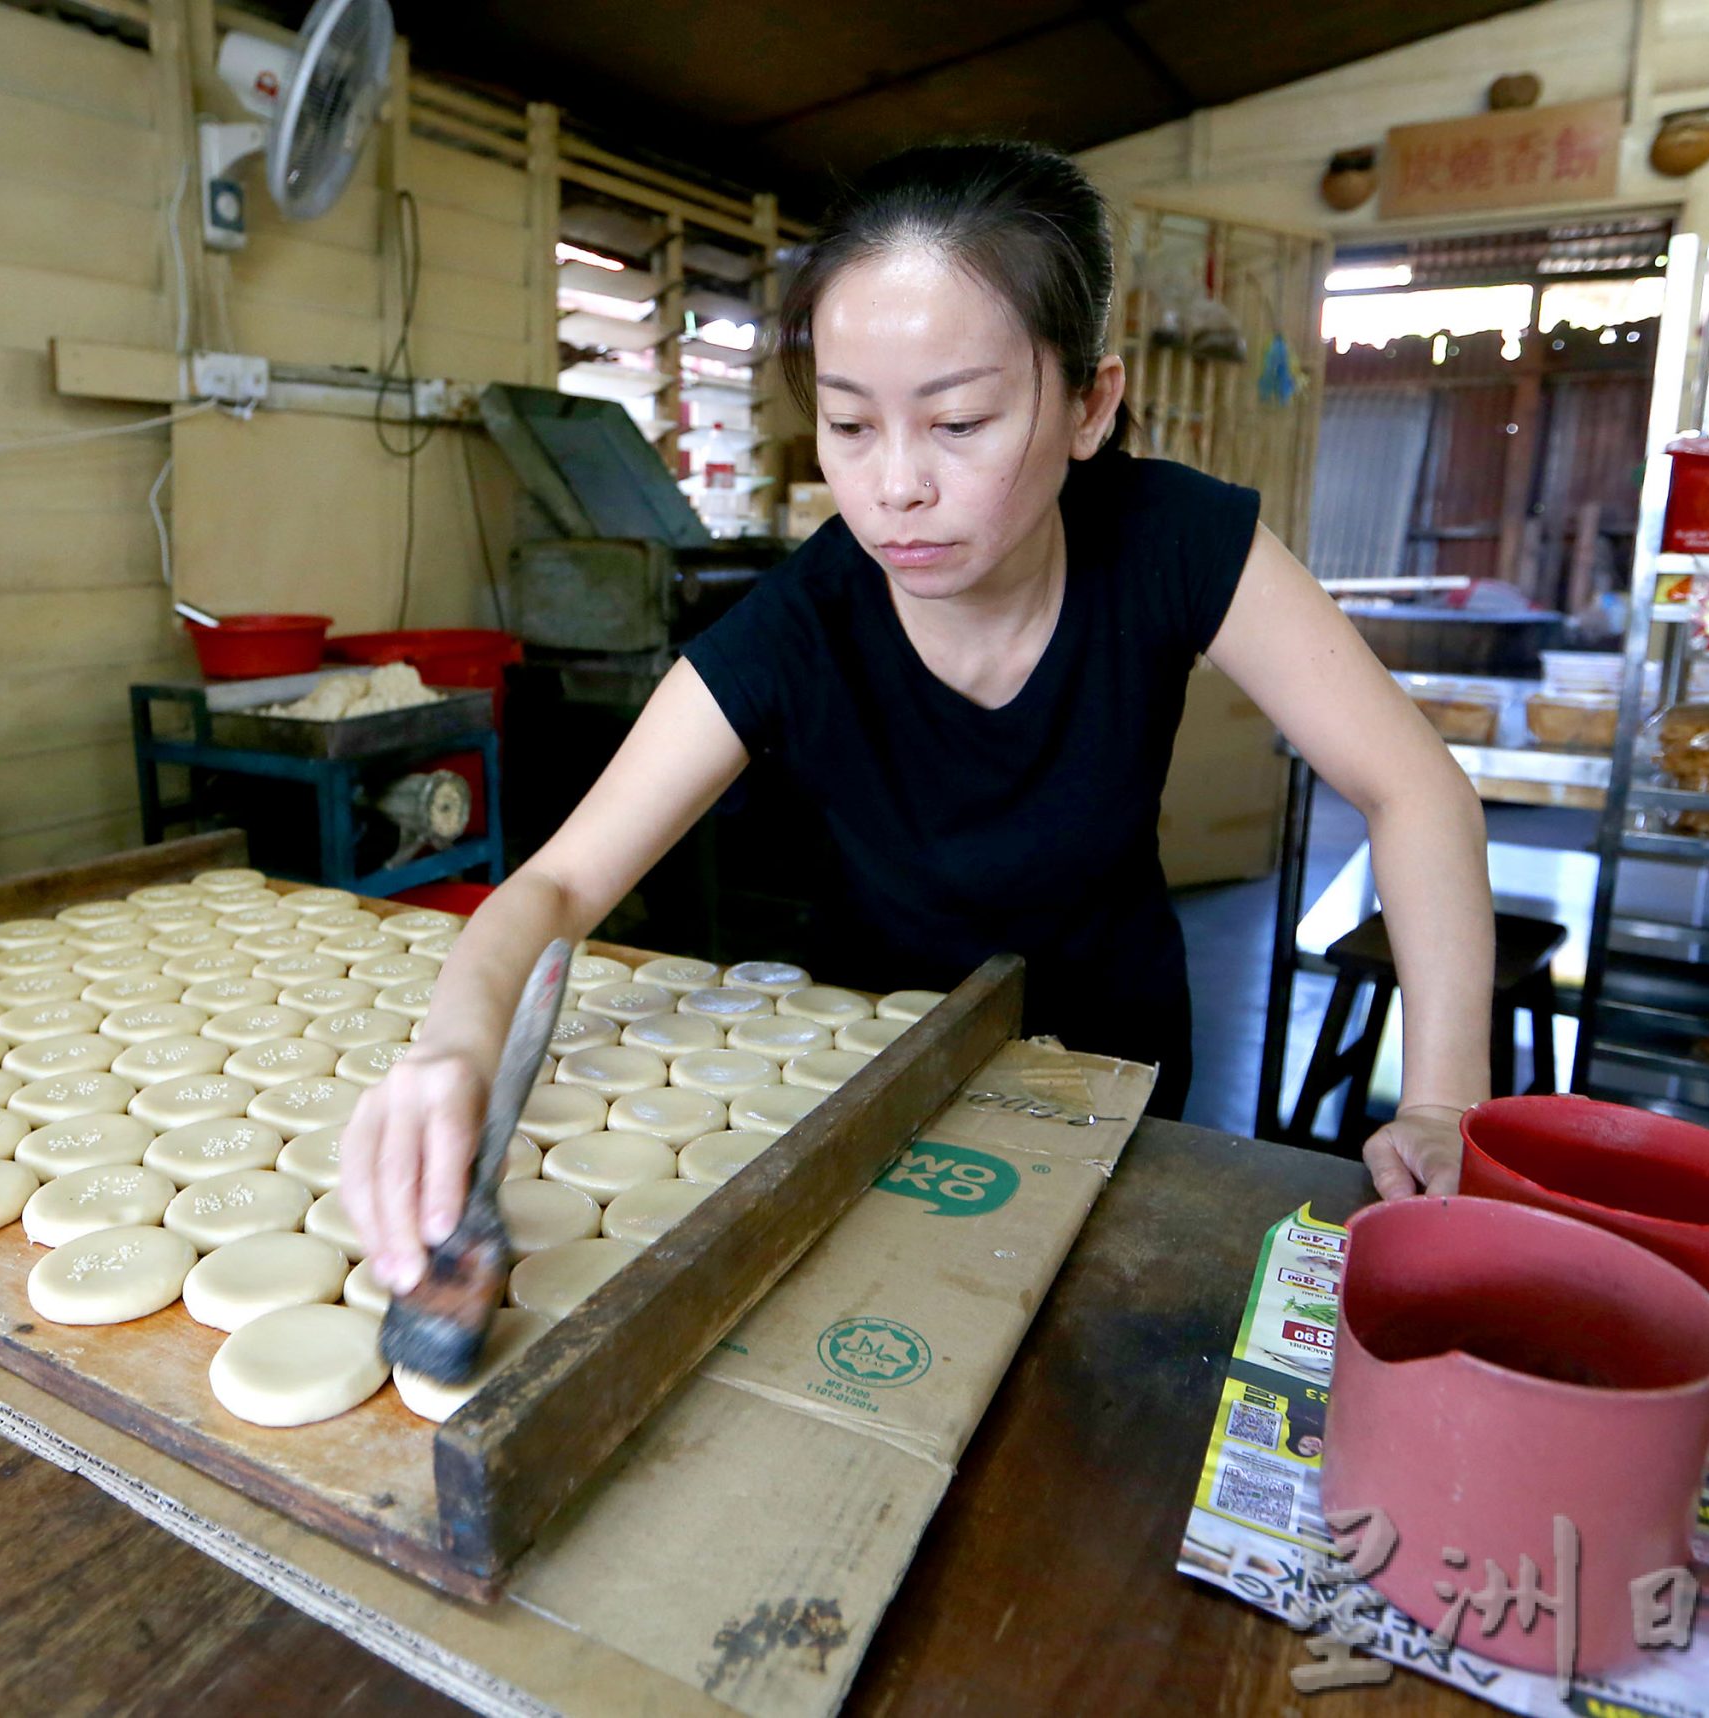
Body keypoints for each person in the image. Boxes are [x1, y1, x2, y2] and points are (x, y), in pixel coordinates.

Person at [341, 141, 1494, 1293]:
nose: (896, 485)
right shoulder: (803, 620)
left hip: (1117, 1078)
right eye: (848, 426)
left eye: (959, 423)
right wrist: (453, 1052)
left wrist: (1443, 1100)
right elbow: (555, 886)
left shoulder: (1174, 541)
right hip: (867, 1078)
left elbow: (1415, 787)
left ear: (1091, 403)